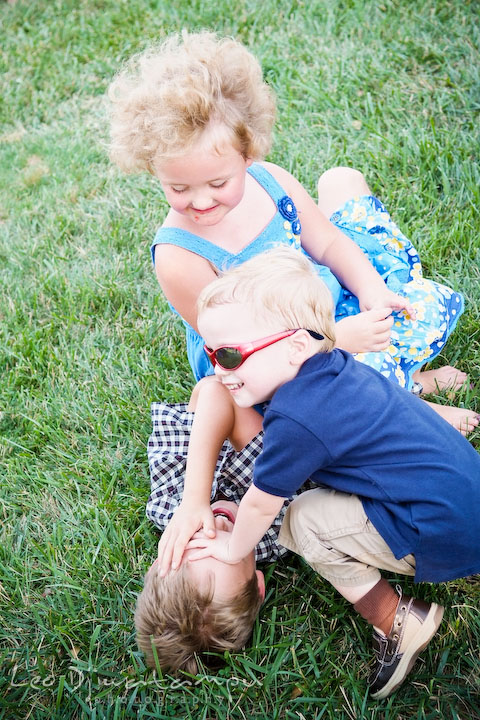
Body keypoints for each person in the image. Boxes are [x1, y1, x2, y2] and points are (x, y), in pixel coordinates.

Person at [108, 30, 478, 434]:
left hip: (321, 301)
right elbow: (237, 355)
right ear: (152, 168)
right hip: (268, 358)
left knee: (396, 301)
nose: (200, 201)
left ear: (248, 154)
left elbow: (331, 243)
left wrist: (372, 292)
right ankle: (410, 400)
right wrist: (334, 339)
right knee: (331, 386)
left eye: (217, 183)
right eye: (179, 188)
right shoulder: (180, 257)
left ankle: (405, 377)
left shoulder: (271, 183)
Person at [184, 246, 480, 699]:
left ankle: (398, 618)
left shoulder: (298, 419)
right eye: (209, 351)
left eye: (228, 354)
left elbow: (263, 503)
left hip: (445, 527)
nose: (217, 369)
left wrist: (231, 551)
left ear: (296, 346)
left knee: (301, 519)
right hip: (460, 494)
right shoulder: (334, 370)